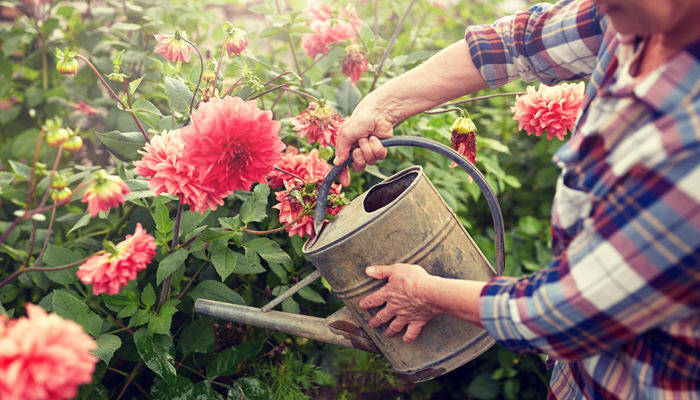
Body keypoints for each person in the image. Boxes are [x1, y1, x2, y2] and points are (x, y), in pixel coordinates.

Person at [332, 0, 700, 398]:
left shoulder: (688, 141)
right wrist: (383, 104)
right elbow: (518, 42)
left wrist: (424, 292)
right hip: (576, 379)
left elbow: (566, 313)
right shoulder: (631, 16)